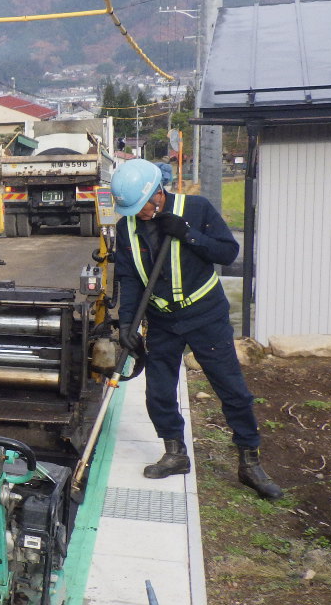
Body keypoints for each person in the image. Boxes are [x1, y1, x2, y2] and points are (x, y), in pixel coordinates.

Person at [109, 159, 282, 499]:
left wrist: (187, 233)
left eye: (141, 206)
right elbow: (128, 279)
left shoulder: (196, 208)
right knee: (158, 392)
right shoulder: (126, 227)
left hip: (206, 316)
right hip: (162, 321)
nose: (139, 213)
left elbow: (228, 252)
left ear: (157, 192)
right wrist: (127, 323)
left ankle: (250, 462)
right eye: (131, 209)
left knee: (232, 390)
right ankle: (175, 454)